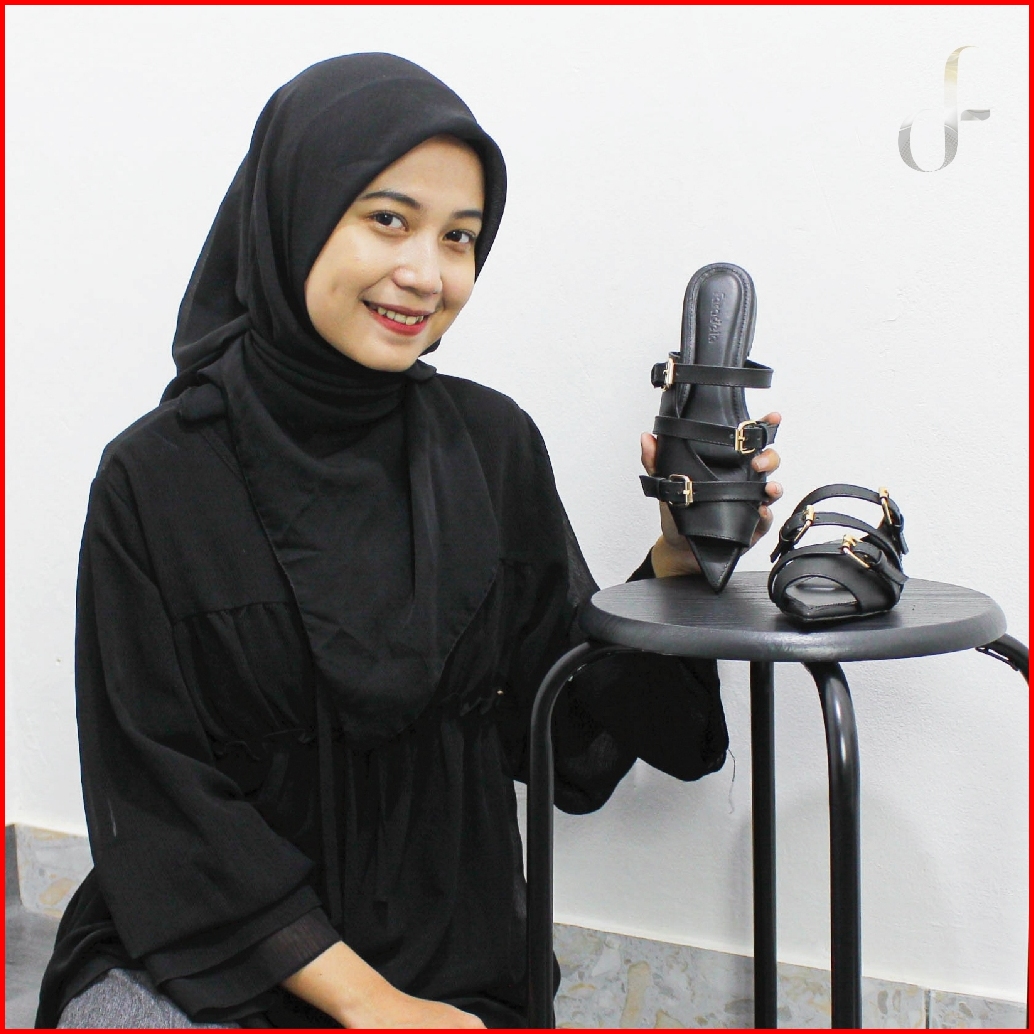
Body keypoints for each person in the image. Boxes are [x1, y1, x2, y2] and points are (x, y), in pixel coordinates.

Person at [35, 54, 782, 1029]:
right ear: (295, 212)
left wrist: (676, 564)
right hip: (215, 958)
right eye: (388, 219)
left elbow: (566, 733)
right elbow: (162, 797)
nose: (427, 274)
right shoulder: (158, 477)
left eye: (459, 237)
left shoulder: (491, 447)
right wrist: (369, 1003)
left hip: (454, 963)